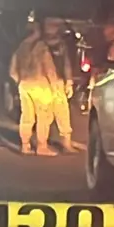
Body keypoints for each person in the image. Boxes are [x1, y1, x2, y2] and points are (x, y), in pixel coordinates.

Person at [10, 20, 60, 156]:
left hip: (24, 85)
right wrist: (54, 87)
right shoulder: (41, 47)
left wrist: (20, 81)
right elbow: (49, 68)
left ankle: (25, 146)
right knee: (43, 117)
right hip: (40, 85)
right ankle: (42, 146)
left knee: (26, 116)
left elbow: (12, 71)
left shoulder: (20, 48)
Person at [42, 15, 78, 153]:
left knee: (59, 114)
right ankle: (47, 144)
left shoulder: (56, 44)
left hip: (52, 82)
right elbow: (66, 63)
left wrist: (69, 81)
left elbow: (66, 63)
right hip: (50, 83)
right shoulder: (43, 44)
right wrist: (68, 81)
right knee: (54, 114)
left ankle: (50, 143)